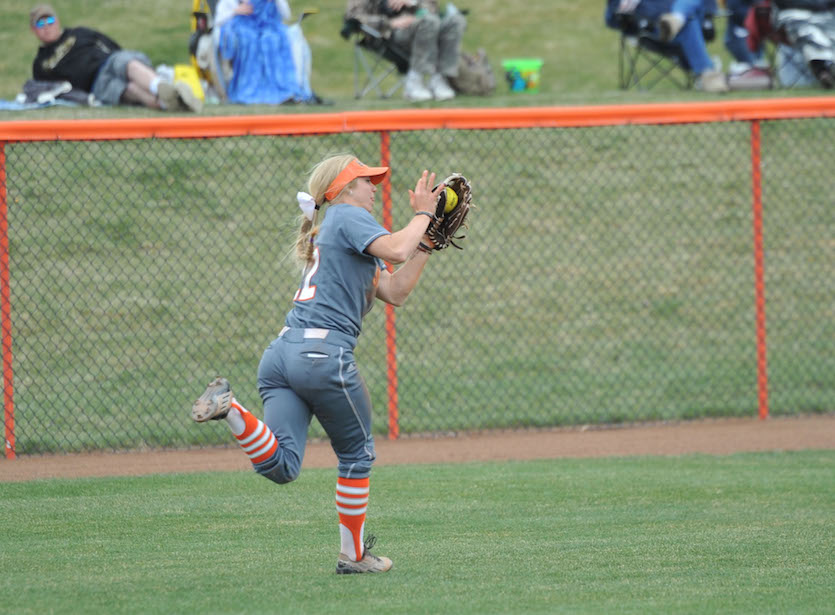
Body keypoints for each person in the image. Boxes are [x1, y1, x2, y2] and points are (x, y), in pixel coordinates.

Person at [191, 154, 445, 574]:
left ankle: (231, 408)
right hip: (322, 356)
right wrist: (422, 213)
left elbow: (396, 289)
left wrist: (427, 243)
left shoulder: (339, 231)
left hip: (282, 355)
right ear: (343, 189)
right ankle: (352, 557)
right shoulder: (346, 216)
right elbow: (397, 247)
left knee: (283, 466)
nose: (374, 188)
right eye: (367, 181)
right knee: (357, 455)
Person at [28, 4, 201, 112]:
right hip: (96, 85)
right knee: (131, 91)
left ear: (57, 21)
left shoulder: (78, 33)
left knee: (129, 66)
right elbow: (50, 90)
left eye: (49, 20)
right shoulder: (41, 64)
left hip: (109, 61)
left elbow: (109, 44)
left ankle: (162, 88)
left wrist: (120, 57)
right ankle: (171, 102)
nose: (46, 27)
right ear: (33, 30)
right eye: (40, 24)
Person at [345, 0, 466, 102]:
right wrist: (390, 23)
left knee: (455, 20)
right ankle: (414, 81)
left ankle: (439, 78)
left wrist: (412, 2)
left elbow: (432, 8)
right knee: (429, 22)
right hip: (386, 35)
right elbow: (353, 16)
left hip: (423, 26)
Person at [606, 0, 729, 92]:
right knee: (688, 22)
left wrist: (708, 15)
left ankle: (676, 19)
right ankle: (707, 72)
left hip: (685, 21)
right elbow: (612, 17)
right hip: (653, 28)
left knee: (686, 17)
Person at [213, 0, 318, 104]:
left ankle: (283, 85)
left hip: (268, 28)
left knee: (273, 40)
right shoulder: (229, 2)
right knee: (250, 42)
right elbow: (218, 21)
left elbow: (287, 15)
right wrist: (235, 11)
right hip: (243, 30)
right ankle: (247, 85)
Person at [773, 0, 835, 88]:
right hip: (795, 16)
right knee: (810, 35)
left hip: (825, 15)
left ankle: (824, 70)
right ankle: (822, 69)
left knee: (818, 35)